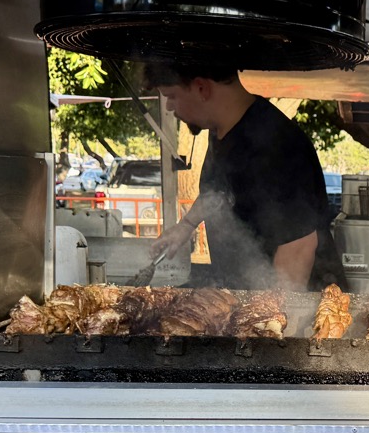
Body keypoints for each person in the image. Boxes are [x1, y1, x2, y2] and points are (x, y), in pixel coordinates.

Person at [145, 61, 345, 292]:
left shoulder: (277, 147)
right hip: (245, 292)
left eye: (171, 96)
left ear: (201, 88)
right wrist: (186, 226)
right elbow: (218, 192)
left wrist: (272, 314)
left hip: (301, 301)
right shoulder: (222, 129)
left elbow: (298, 249)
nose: (169, 106)